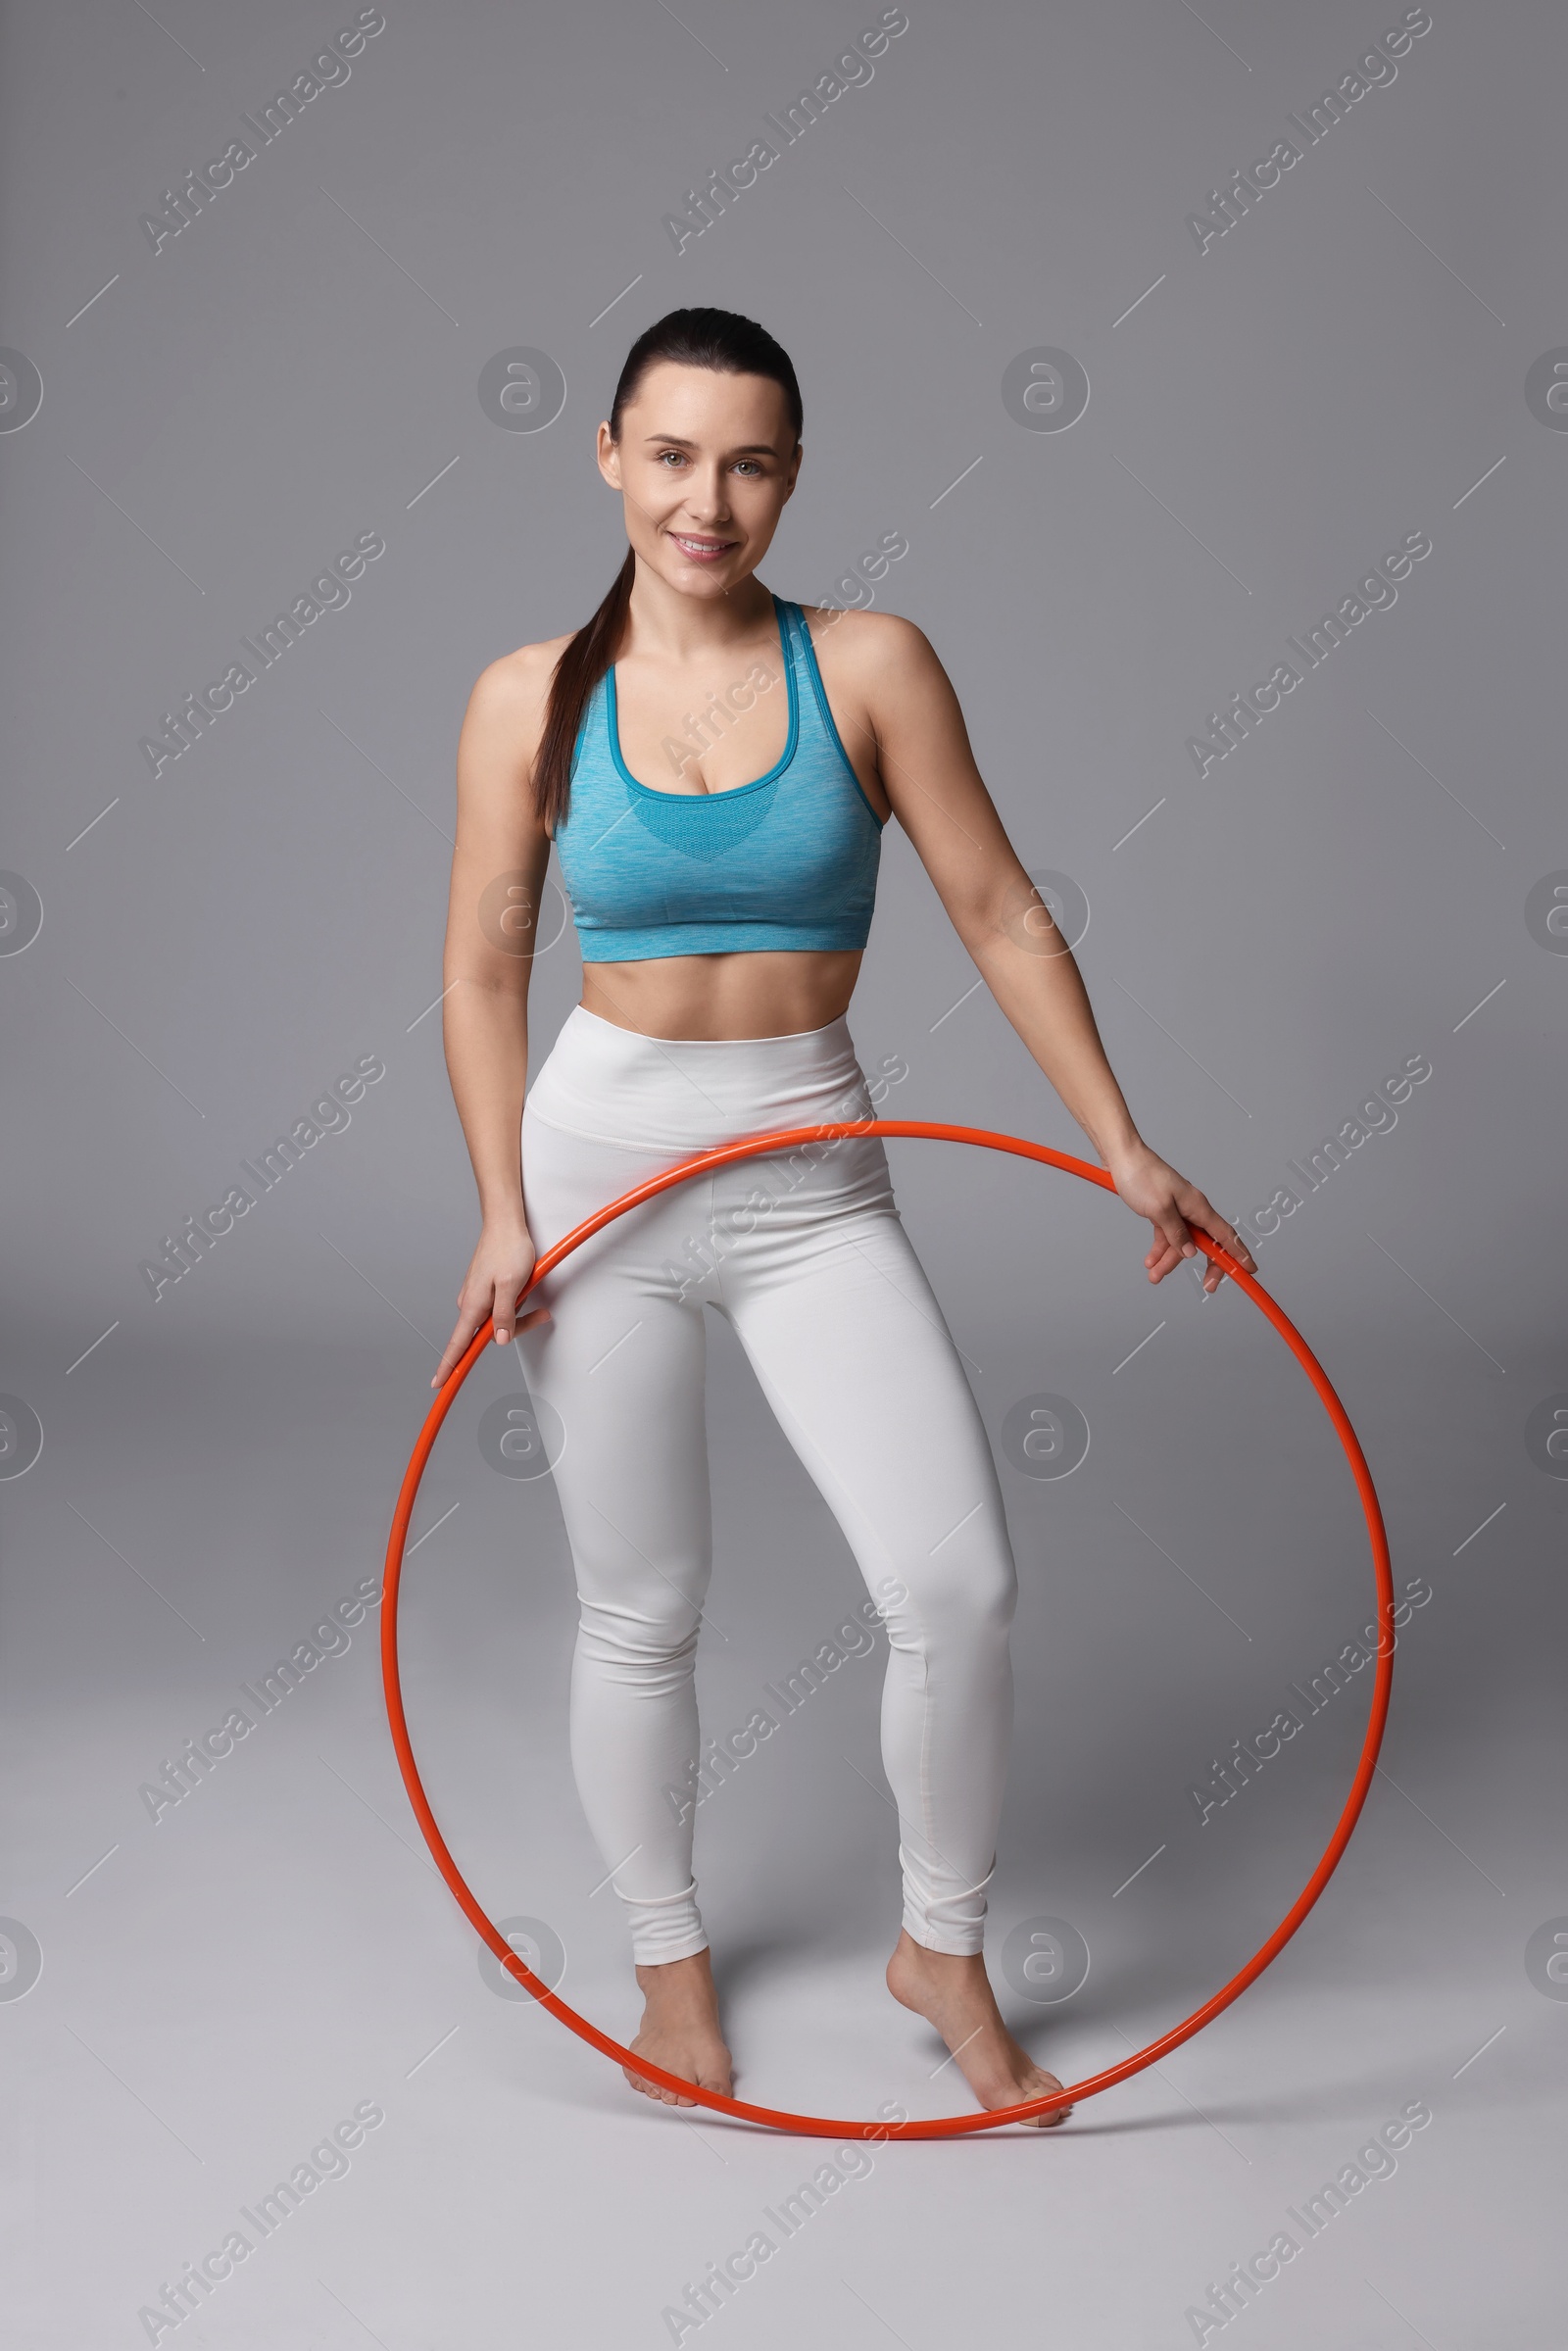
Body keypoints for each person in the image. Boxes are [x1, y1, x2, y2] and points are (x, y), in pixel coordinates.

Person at [433, 306, 1254, 2128]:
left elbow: (1001, 911)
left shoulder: (870, 666)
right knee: (642, 1607)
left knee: (957, 1586)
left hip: (809, 1173)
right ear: (608, 457)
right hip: (598, 1189)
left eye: (747, 462)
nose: (704, 501)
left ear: (793, 473)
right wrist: (501, 1210)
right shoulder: (526, 698)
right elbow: (483, 977)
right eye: (669, 456)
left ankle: (939, 1950)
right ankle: (668, 1972)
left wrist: (1122, 1143)